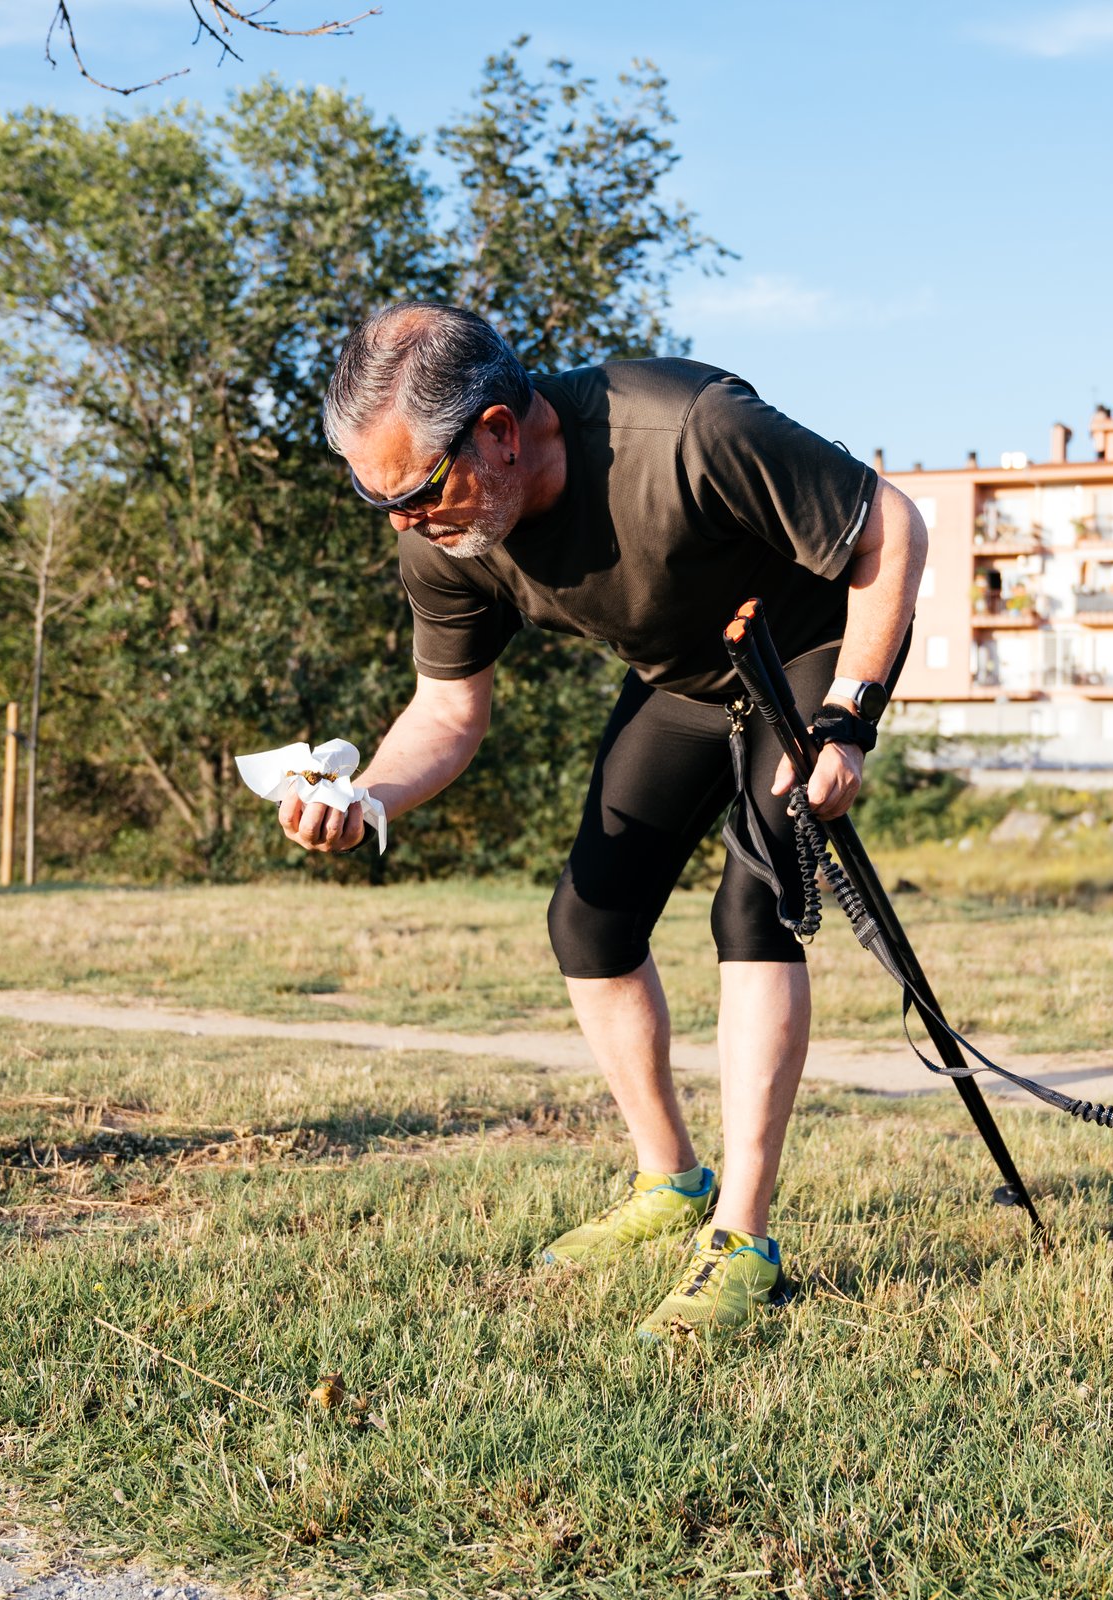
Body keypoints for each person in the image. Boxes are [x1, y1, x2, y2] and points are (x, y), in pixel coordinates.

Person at [285, 302, 923, 1339]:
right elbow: (448, 712)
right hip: (686, 676)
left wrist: (850, 712)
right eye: (374, 493)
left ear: (498, 428)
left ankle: (742, 1235)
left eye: (413, 492)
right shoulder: (446, 534)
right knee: (590, 917)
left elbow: (892, 529)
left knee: (752, 903)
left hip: (804, 644)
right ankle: (669, 1177)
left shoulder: (687, 428)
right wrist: (367, 802)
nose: (403, 522)